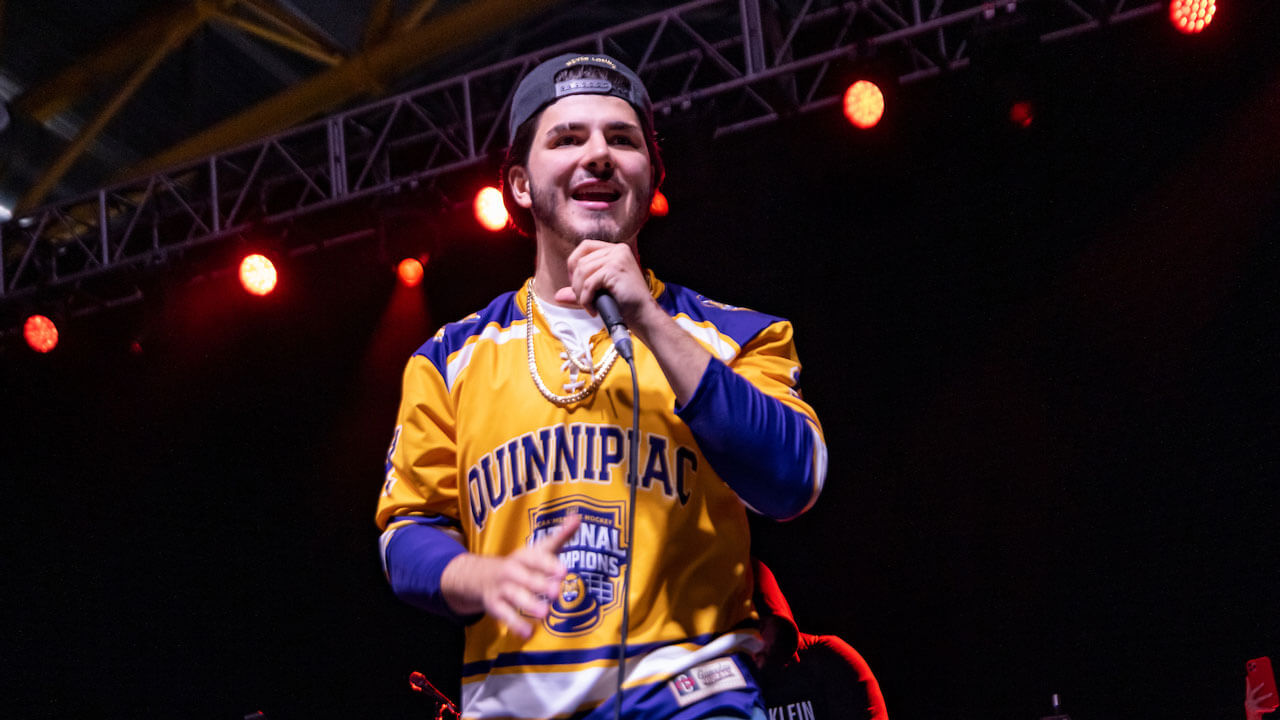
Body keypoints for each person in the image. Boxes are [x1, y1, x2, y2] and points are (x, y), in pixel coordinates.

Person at [375, 53, 827, 719]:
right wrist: (480, 575)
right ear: (521, 185)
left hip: (694, 697)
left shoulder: (739, 336)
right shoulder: (448, 360)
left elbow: (794, 479)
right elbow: (404, 531)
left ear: (650, 178)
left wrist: (647, 319)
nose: (599, 155)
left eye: (622, 139)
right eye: (567, 138)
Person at [751, 559, 888, 720]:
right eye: (735, 632)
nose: (750, 642)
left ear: (777, 621)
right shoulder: (720, 688)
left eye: (759, 626)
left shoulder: (829, 662)